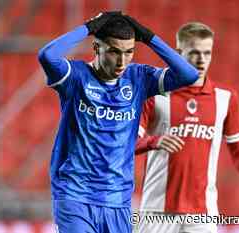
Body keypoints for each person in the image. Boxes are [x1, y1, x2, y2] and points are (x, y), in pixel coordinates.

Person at [38, 11, 198, 233]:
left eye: (129, 52)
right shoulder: (75, 76)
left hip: (118, 200)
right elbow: (47, 55)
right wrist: (89, 27)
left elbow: (189, 74)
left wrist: (149, 37)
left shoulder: (138, 78)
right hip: (75, 196)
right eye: (114, 52)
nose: (122, 61)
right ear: (96, 48)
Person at [135, 22, 239, 233]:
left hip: (203, 212)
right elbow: (128, 144)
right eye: (194, 53)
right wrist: (154, 141)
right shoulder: (156, 94)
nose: (201, 59)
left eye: (207, 53)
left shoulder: (226, 98)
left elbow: (238, 153)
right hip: (156, 209)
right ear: (178, 53)